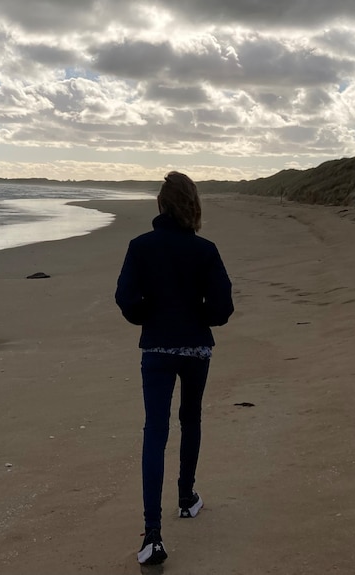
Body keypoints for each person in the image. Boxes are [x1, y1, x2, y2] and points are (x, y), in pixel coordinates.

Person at [115, 171, 234, 565]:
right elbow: (222, 309)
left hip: (158, 347)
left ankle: (153, 533)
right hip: (196, 345)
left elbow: (126, 299)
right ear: (192, 205)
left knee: (156, 430)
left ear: (161, 205)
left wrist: (152, 314)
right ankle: (186, 497)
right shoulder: (206, 250)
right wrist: (194, 314)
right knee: (191, 418)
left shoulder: (141, 246)